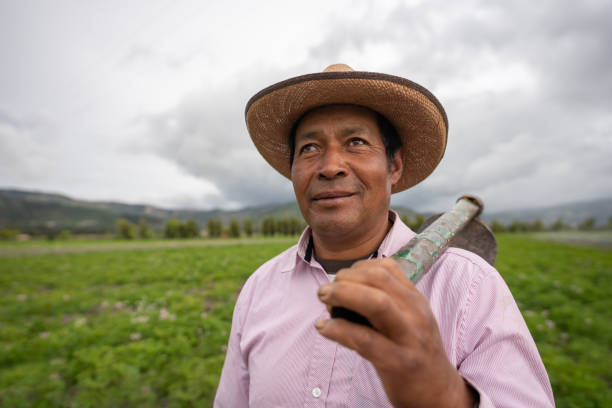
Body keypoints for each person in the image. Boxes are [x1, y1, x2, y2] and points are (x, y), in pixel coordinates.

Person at [214, 64, 554, 407]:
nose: (330, 166)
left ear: (395, 166)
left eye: (356, 142)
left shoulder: (470, 285)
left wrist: (443, 394)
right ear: (292, 172)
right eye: (309, 148)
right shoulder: (259, 288)